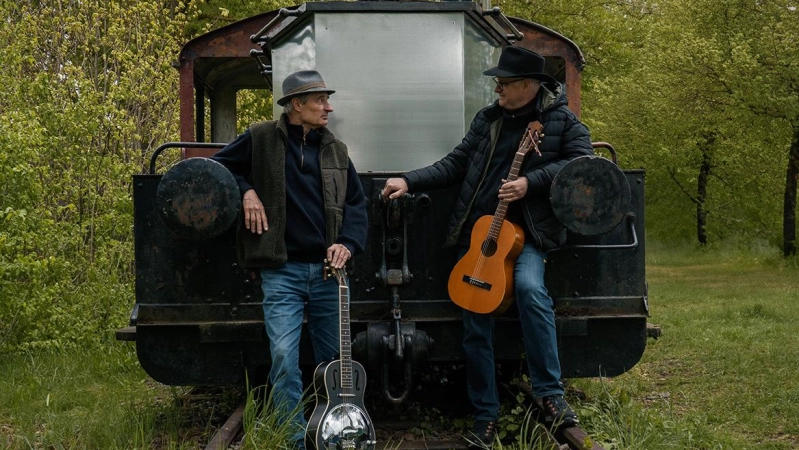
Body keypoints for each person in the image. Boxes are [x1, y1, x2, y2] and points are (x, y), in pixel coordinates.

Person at [381, 46, 593, 447]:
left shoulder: (562, 122)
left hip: (528, 235)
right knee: (474, 317)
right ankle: (485, 413)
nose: (497, 87)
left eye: (505, 82)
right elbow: (456, 163)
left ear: (529, 86)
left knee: (530, 291)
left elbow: (582, 164)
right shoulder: (488, 120)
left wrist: (532, 182)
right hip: (481, 234)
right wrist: (409, 180)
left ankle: (550, 396)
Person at [211, 69, 368, 449]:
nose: (328, 107)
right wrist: (246, 191)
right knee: (283, 356)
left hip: (330, 272)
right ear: (296, 105)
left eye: (327, 100)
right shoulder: (261, 138)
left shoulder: (336, 150)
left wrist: (347, 243)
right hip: (281, 270)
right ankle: (294, 438)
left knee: (334, 361)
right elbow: (218, 169)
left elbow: (356, 206)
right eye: (319, 100)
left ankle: (335, 434)